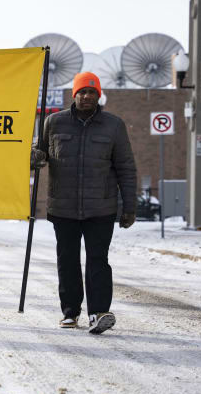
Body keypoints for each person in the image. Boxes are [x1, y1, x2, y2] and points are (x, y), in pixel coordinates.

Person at [33, 71, 136, 334]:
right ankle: (70, 312)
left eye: (92, 92)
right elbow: (40, 154)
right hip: (63, 206)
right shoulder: (53, 122)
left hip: (101, 207)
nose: (87, 96)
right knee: (67, 260)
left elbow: (126, 168)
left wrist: (129, 207)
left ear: (98, 96)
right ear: (74, 94)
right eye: (82, 92)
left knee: (98, 260)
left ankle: (99, 313)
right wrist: (34, 157)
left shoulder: (114, 125)